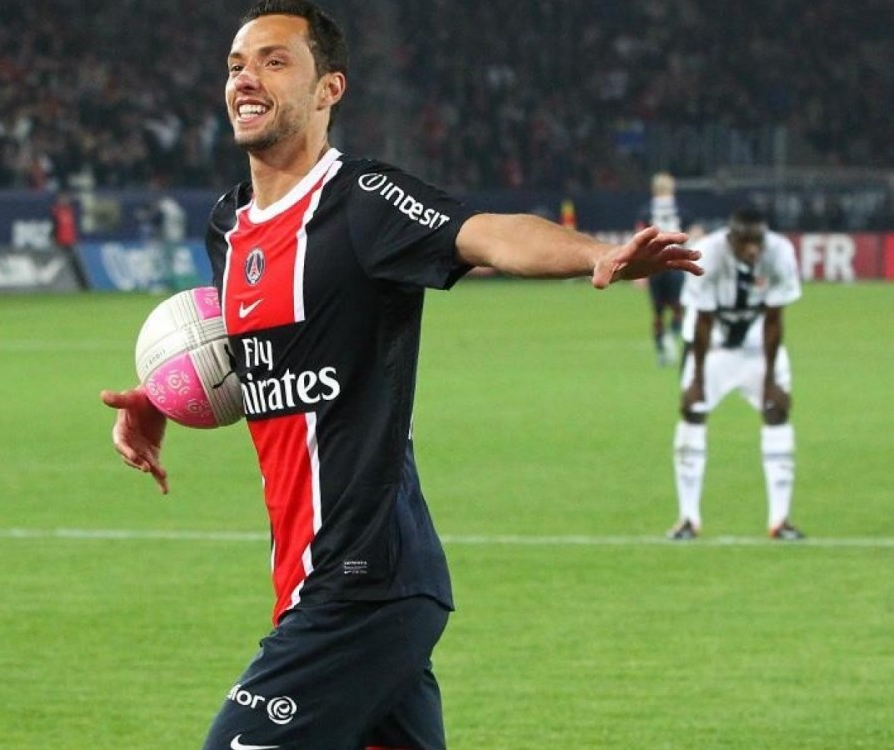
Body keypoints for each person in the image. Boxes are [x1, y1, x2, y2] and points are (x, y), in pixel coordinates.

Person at [101, 2, 701, 748]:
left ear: (329, 89)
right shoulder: (226, 227)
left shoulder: (360, 202)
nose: (246, 79)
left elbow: (484, 234)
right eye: (236, 66)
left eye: (274, 62)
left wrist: (595, 255)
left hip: (363, 581)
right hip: (314, 582)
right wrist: (164, 398)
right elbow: (266, 351)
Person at [668, 207, 803, 542]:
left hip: (758, 345)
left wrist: (770, 380)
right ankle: (688, 518)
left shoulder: (780, 253)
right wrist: (697, 380)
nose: (753, 249)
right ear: (731, 238)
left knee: (777, 412)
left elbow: (774, 318)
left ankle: (780, 520)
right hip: (712, 345)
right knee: (692, 412)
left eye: (758, 241)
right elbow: (702, 321)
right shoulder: (706, 255)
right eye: (745, 241)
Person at [638, 171, 685, 366]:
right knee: (678, 308)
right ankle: (671, 336)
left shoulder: (646, 211)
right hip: (675, 264)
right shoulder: (680, 210)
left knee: (658, 312)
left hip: (654, 266)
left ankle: (661, 350)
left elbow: (639, 239)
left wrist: (638, 271)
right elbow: (694, 233)